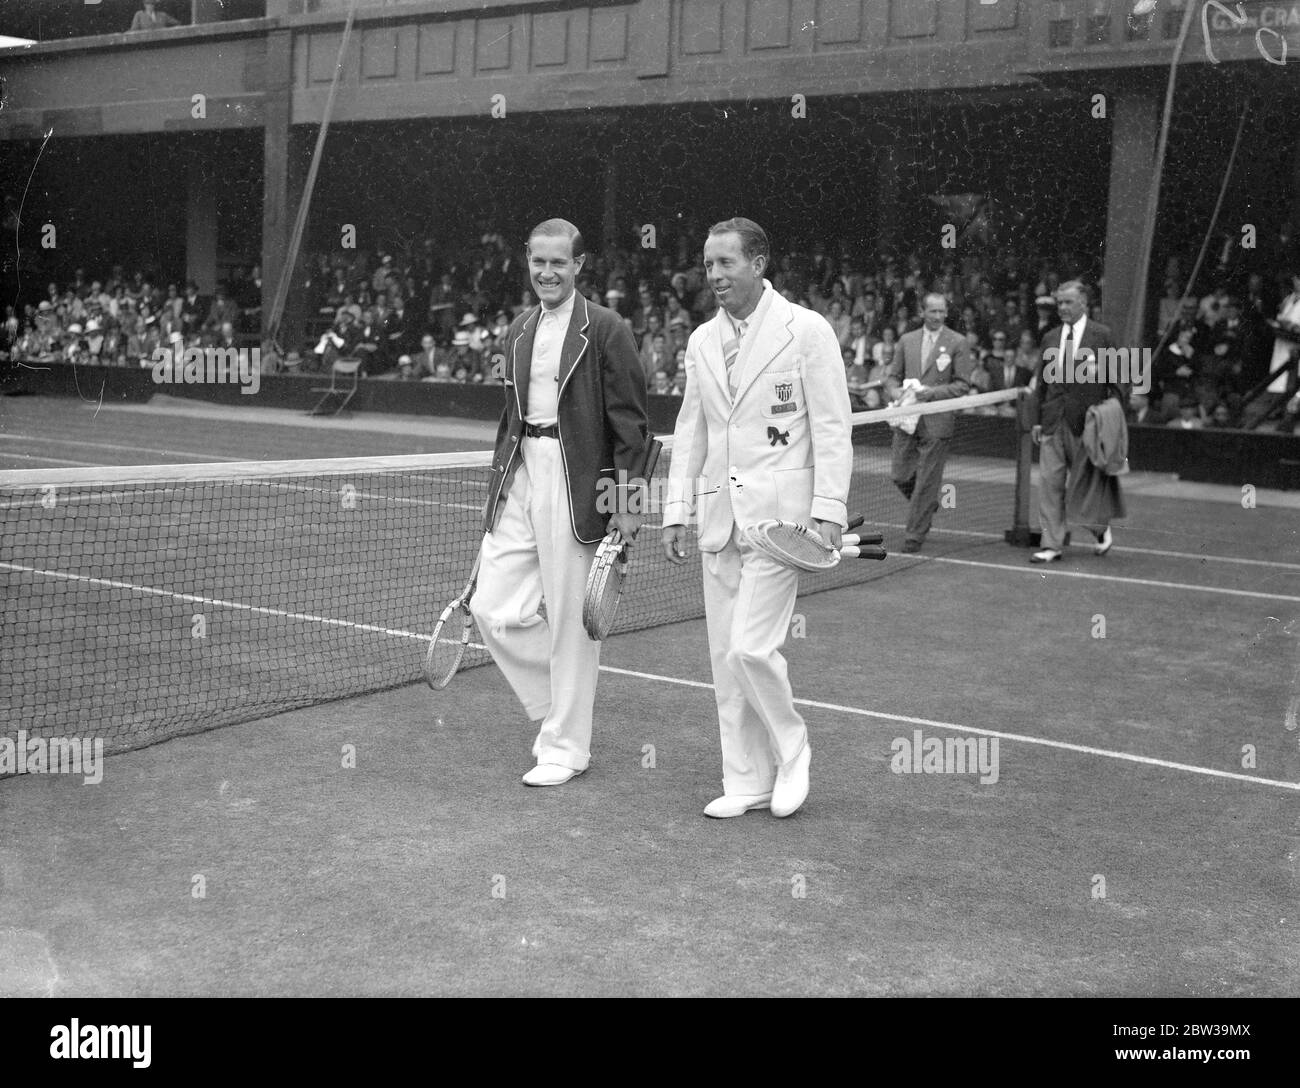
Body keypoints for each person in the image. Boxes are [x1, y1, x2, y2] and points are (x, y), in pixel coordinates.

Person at [662, 217, 852, 820]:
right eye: (708, 263)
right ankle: (746, 781)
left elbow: (830, 427)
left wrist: (828, 511)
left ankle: (793, 746)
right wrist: (676, 510)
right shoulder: (699, 341)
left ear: (759, 263)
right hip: (719, 518)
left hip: (781, 524)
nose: (714, 274)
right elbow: (692, 430)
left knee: (750, 649)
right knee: (725, 660)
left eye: (726, 263)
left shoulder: (807, 331)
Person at [470, 219, 650, 788]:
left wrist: (627, 502)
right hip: (524, 472)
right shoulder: (518, 329)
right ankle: (560, 704)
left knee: (573, 623)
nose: (547, 273)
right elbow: (511, 419)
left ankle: (567, 747)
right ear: (527, 260)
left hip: (580, 483)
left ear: (579, 266)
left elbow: (633, 427)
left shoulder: (608, 328)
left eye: (559, 263)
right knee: (492, 607)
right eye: (538, 262)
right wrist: (502, 485)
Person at [1028, 281, 1127, 564]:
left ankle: (1099, 529)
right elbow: (1042, 384)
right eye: (1059, 303)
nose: (1062, 308)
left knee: (1083, 487)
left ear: (1083, 303)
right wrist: (1037, 420)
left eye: (1068, 302)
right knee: (1049, 484)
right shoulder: (1050, 337)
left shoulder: (1102, 335)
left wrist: (1113, 417)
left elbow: (1118, 381)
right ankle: (1051, 545)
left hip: (1088, 423)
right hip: (1052, 421)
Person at [883, 292, 974, 554]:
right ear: (922, 312)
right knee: (900, 475)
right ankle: (926, 504)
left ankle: (914, 535)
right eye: (932, 311)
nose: (937, 316)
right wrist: (895, 391)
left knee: (926, 482)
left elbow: (963, 385)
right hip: (906, 419)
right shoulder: (906, 340)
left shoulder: (958, 342)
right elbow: (891, 377)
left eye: (941, 312)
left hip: (937, 422)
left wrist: (932, 393)